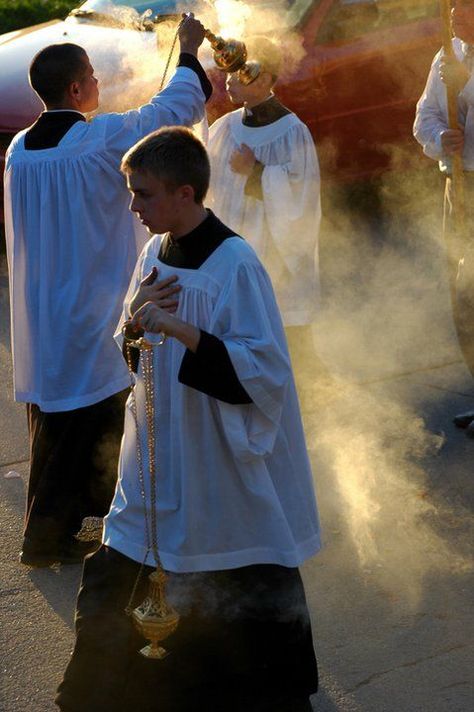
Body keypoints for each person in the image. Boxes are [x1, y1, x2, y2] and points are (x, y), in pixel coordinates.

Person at [55, 126, 321, 712]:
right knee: (125, 551)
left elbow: (266, 370)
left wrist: (180, 329)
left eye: (143, 194)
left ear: (184, 192)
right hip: (154, 443)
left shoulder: (236, 264)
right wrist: (133, 327)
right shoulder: (154, 250)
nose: (133, 206)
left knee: (223, 558)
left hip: (214, 449)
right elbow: (132, 334)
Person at [3, 15, 212, 567]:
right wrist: (187, 50)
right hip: (88, 301)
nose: (98, 83)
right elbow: (168, 116)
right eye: (92, 76)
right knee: (81, 423)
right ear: (75, 88)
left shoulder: (21, 150)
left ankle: (56, 528)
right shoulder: (93, 141)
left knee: (53, 418)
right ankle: (45, 538)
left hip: (39, 303)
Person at [206, 37, 325, 390]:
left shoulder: (292, 131)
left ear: (263, 78)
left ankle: (307, 388)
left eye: (237, 73)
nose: (227, 81)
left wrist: (256, 172)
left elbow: (301, 194)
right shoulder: (225, 127)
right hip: (235, 244)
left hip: (276, 248)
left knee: (284, 327)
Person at [414, 0, 474, 435]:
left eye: (468, 7)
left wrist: (466, 84)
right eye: (453, 6)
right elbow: (424, 118)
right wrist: (441, 135)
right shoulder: (446, 55)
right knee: (464, 299)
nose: (457, 13)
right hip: (460, 187)